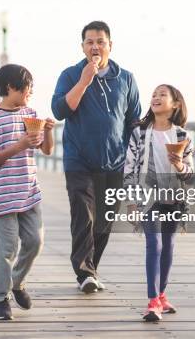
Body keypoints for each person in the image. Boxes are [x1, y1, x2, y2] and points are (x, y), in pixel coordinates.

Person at [51, 21, 141, 293]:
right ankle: (84, 273)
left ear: (110, 45)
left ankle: (91, 269)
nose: (95, 46)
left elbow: (134, 122)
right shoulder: (70, 75)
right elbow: (59, 111)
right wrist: (84, 80)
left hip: (114, 161)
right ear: (82, 47)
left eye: (100, 41)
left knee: (104, 220)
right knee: (84, 216)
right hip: (78, 160)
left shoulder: (125, 78)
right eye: (90, 42)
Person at [0, 64, 54, 320]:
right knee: (7, 247)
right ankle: (0, 300)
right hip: (3, 194)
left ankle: (17, 282)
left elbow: (46, 151)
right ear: (10, 88)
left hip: (29, 190)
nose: (30, 92)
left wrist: (48, 133)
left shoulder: (30, 113)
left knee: (35, 241)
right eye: (27, 87)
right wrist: (20, 144)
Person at [124, 84, 194, 322]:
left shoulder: (182, 135)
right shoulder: (140, 132)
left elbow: (190, 175)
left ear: (175, 104)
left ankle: (162, 295)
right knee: (154, 244)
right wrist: (131, 202)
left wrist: (178, 164)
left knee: (169, 246)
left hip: (174, 199)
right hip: (147, 199)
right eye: (153, 94)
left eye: (162, 95)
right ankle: (153, 300)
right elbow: (130, 168)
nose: (155, 97)